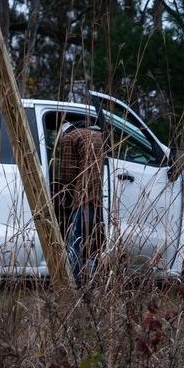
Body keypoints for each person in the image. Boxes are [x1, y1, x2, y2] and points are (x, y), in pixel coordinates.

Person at [55, 115, 107, 282]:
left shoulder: (69, 137)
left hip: (84, 196)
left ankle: (74, 281)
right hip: (102, 197)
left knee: (74, 241)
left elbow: (68, 174)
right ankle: (95, 279)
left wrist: (61, 192)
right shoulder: (98, 134)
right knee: (95, 242)